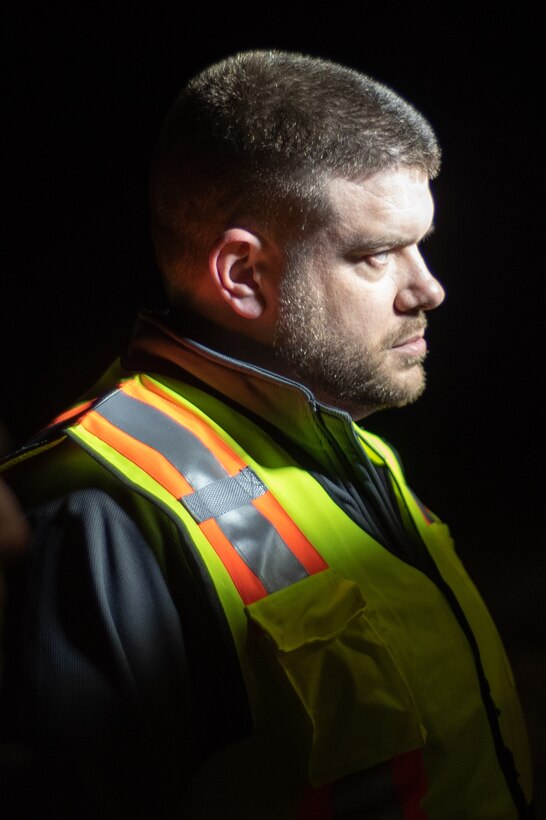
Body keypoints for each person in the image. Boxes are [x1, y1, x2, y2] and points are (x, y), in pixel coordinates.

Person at [0, 50, 534, 819]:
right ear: (243, 274)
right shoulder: (97, 515)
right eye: (377, 254)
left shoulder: (342, 436)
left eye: (420, 244)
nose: (428, 288)